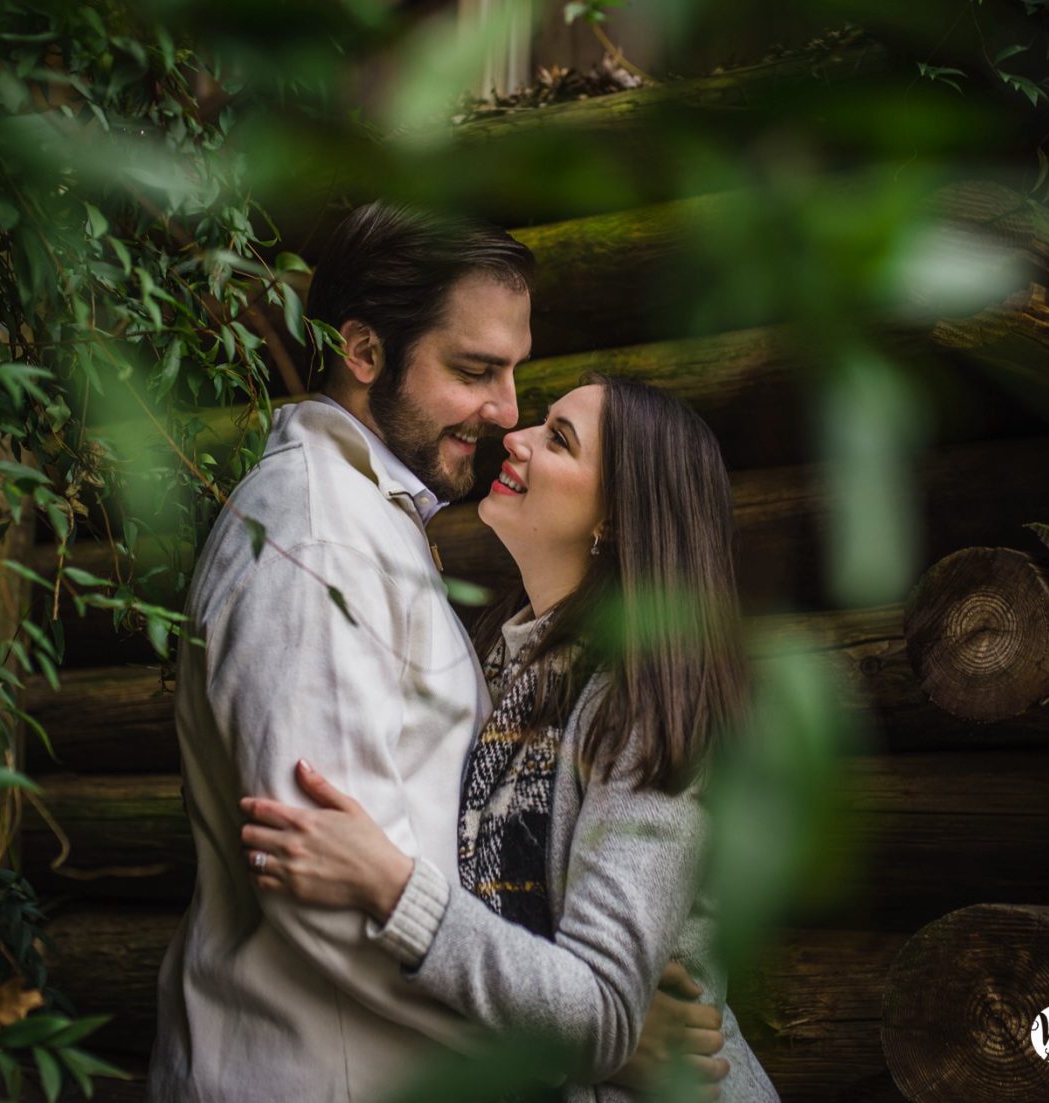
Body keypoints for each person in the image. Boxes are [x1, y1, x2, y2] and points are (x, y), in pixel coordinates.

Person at [146, 205, 725, 1103]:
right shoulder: (320, 540)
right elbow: (320, 895)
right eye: (474, 370)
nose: (507, 414)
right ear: (366, 353)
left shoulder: (388, 534)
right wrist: (589, 1043)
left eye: (515, 376)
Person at [238, 376, 782, 1102]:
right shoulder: (498, 657)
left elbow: (601, 1011)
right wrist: (597, 1045)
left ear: (617, 519)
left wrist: (390, 885)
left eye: (557, 438)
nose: (514, 438)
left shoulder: (648, 700)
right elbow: (592, 1023)